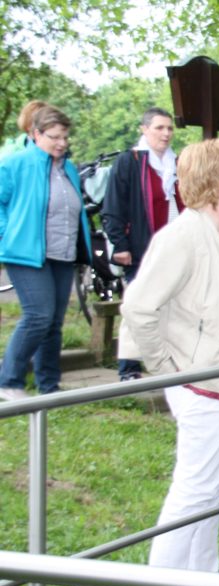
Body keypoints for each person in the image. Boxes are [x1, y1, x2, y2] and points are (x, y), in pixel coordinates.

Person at [119, 138, 219, 586]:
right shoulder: (183, 235)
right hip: (203, 386)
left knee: (217, 486)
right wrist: (169, 370)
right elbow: (138, 307)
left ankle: (203, 578)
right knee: (194, 488)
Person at [0, 106, 92, 401]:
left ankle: (49, 386)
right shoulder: (16, 164)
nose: (62, 143)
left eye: (65, 137)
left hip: (62, 253)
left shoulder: (69, 168)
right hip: (26, 254)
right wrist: (7, 235)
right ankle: (8, 380)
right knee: (38, 315)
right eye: (54, 137)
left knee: (53, 321)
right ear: (36, 134)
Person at [102, 107, 186, 381]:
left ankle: (168, 364)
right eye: (159, 128)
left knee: (174, 307)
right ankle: (129, 368)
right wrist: (121, 244)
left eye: (169, 128)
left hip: (173, 246)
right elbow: (113, 206)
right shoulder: (130, 162)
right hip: (142, 248)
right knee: (139, 307)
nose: (166, 133)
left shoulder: (177, 162)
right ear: (144, 129)